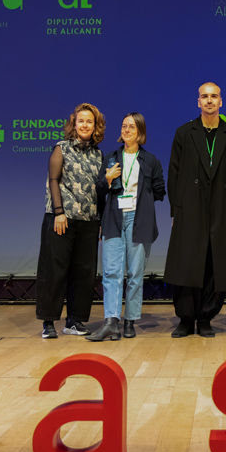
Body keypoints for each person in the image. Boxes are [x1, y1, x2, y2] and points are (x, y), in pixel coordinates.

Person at [164, 82, 226, 337]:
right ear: (198, 101)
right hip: (190, 207)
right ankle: (186, 319)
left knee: (215, 263)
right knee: (187, 263)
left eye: (214, 96)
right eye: (204, 96)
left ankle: (206, 317)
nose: (209, 100)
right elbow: (174, 174)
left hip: (222, 209)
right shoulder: (184, 132)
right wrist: (176, 210)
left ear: (221, 101)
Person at [87, 112, 166, 341]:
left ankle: (130, 320)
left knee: (134, 273)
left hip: (139, 220)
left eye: (132, 127)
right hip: (114, 218)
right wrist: (108, 178)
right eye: (124, 126)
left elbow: (160, 191)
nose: (127, 130)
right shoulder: (111, 157)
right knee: (111, 272)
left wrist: (144, 198)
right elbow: (99, 189)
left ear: (140, 132)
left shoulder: (150, 160)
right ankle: (111, 321)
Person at [36, 103, 108, 339]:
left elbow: (99, 190)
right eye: (81, 121)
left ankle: (74, 321)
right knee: (54, 271)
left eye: (90, 122)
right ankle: (48, 322)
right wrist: (59, 212)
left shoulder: (98, 155)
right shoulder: (62, 148)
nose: (85, 125)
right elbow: (53, 180)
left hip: (89, 221)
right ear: (74, 124)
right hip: (62, 219)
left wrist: (100, 220)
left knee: (84, 274)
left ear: (95, 126)